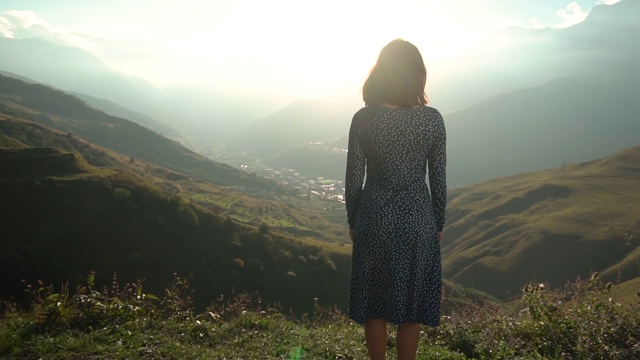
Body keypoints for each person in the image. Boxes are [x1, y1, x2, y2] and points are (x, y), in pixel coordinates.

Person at [345, 39, 447, 360]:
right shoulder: (432, 120)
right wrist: (438, 222)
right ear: (417, 75)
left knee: (375, 304)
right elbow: (439, 180)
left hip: (374, 217)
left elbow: (352, 179)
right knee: (412, 306)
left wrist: (353, 219)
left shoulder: (364, 119)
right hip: (418, 220)